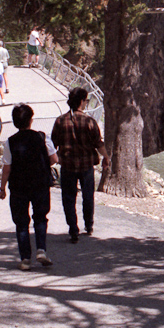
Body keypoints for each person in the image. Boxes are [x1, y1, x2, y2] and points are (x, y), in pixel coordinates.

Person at [0, 104, 59, 270]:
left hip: (18, 186)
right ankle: (41, 249)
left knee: (21, 222)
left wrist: (2, 188)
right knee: (40, 217)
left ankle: (25, 258)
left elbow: (7, 168)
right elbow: (54, 158)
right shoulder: (42, 137)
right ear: (31, 120)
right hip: (40, 183)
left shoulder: (10, 142)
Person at [51, 87, 108, 243]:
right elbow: (98, 143)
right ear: (82, 102)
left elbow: (52, 145)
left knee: (68, 198)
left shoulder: (60, 121)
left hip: (67, 165)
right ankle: (88, 225)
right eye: (86, 101)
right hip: (86, 165)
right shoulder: (89, 121)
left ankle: (73, 229)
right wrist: (107, 157)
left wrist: (51, 161)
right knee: (88, 196)